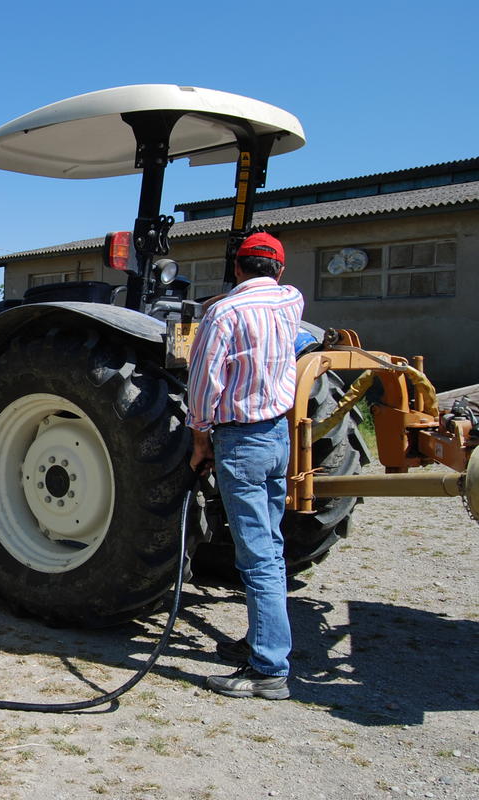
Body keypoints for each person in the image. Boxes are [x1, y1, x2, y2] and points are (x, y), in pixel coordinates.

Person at [187, 231, 304, 700]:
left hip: (242, 442)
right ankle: (262, 641)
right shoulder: (291, 301)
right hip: (279, 436)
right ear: (279, 270)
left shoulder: (223, 313)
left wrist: (199, 439)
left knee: (256, 559)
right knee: (269, 547)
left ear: (237, 268)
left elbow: (203, 382)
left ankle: (269, 670)